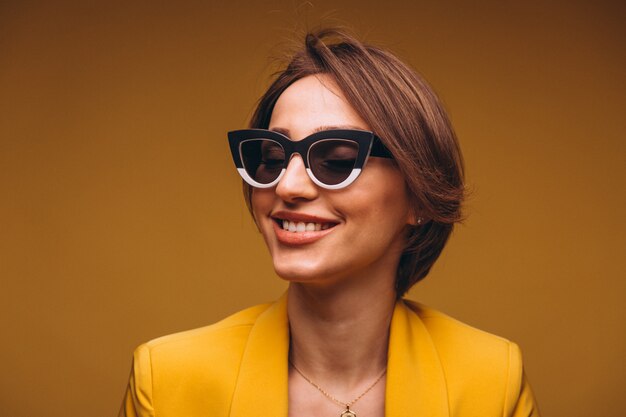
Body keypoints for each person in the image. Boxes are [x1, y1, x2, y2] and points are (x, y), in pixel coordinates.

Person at [119, 28, 540, 417]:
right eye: (271, 157)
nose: (288, 185)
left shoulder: (492, 381)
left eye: (336, 160)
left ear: (419, 195)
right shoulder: (168, 381)